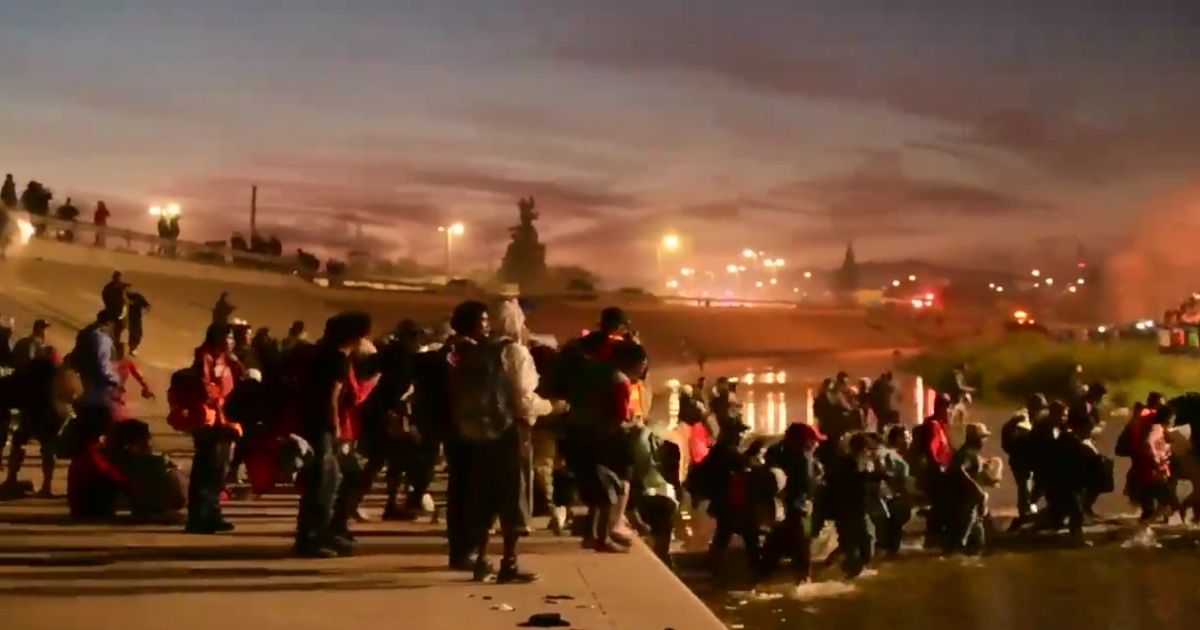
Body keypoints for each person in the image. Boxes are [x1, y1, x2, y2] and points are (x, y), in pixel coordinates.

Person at [452, 298, 565, 583]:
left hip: (478, 436)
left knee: (484, 498)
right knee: (513, 497)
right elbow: (524, 401)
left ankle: (480, 560)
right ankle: (509, 563)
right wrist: (552, 407)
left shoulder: (475, 354)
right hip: (510, 435)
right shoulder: (514, 353)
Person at [293, 313, 371, 557]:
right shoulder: (337, 359)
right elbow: (333, 396)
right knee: (324, 486)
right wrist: (334, 425)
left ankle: (312, 537)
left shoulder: (316, 353)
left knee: (319, 485)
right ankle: (311, 542)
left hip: (308, 423)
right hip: (322, 427)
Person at [170, 324, 241, 534]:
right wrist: (220, 407)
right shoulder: (206, 359)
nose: (232, 342)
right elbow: (207, 388)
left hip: (220, 419)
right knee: (207, 470)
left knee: (217, 471)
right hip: (208, 421)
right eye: (229, 338)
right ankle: (200, 517)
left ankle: (212, 514)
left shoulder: (223, 359)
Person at [762, 422, 825, 583]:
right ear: (804, 440)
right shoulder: (803, 457)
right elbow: (807, 484)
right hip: (797, 507)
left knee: (775, 544)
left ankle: (760, 579)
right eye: (813, 440)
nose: (815, 444)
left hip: (778, 507)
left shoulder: (775, 451)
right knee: (801, 546)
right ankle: (801, 581)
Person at [71, 310, 123, 455]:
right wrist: (115, 380)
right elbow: (103, 366)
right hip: (100, 398)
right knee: (102, 442)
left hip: (83, 395)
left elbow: (73, 360)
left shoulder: (85, 334)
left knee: (84, 442)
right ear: (110, 322)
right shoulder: (102, 338)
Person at [944, 423, 992, 554]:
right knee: (958, 544)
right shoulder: (967, 453)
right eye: (983, 438)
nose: (984, 441)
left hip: (971, 507)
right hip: (964, 506)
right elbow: (959, 470)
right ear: (975, 439)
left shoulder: (968, 453)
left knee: (977, 543)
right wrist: (977, 490)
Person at [1002, 394, 1045, 529]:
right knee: (1024, 486)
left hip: (1025, 457)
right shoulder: (1022, 417)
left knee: (1030, 486)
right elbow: (1023, 435)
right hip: (1020, 458)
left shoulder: (1031, 417)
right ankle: (1024, 515)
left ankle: (1027, 510)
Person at [872, 427, 912, 555]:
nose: (909, 440)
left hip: (885, 500)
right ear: (898, 439)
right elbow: (881, 471)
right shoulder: (890, 455)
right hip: (889, 500)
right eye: (907, 437)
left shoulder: (889, 454)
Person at [113, 342, 154, 421]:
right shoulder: (110, 361)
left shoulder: (126, 362)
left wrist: (144, 385)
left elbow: (135, 374)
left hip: (115, 392)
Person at [125, 292, 150, 357]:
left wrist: (144, 313)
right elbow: (147, 306)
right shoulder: (136, 297)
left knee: (136, 335)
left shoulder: (137, 297)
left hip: (135, 319)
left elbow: (147, 306)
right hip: (132, 320)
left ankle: (131, 349)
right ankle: (131, 350)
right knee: (135, 335)